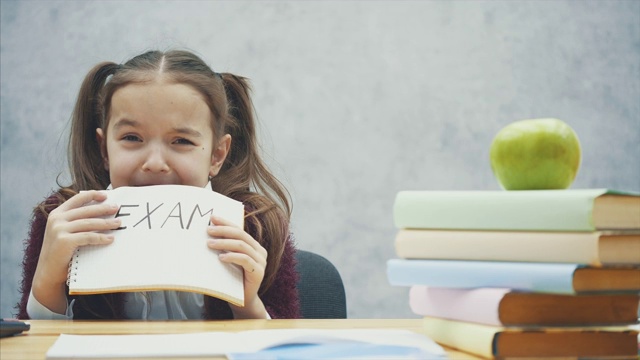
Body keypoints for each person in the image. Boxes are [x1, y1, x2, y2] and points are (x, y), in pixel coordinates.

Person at [16, 50, 300, 320]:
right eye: (131, 138)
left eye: (181, 141)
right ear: (105, 149)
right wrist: (48, 280)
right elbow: (32, 349)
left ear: (216, 155)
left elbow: (285, 344)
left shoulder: (258, 224)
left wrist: (247, 302)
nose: (154, 163)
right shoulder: (63, 219)